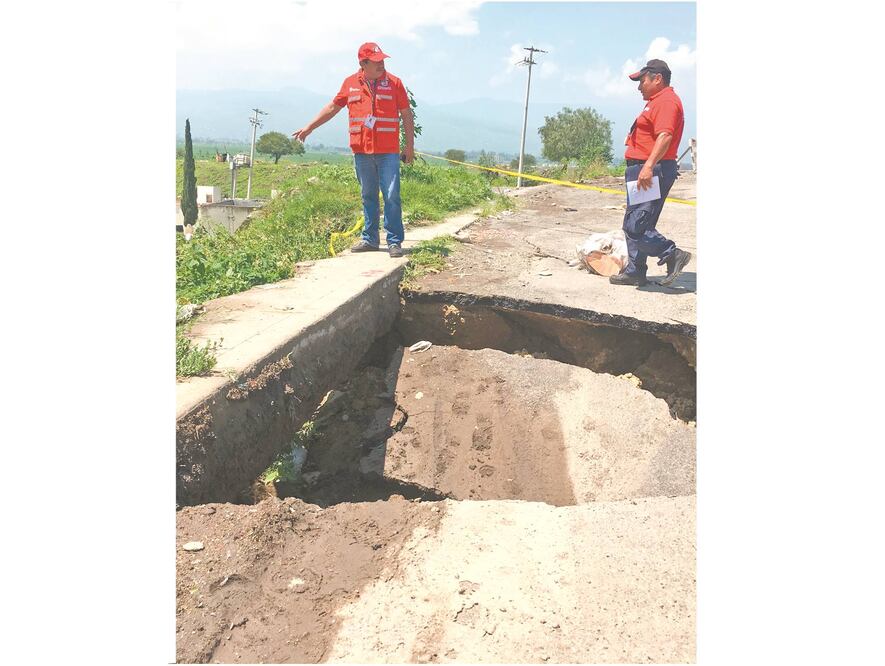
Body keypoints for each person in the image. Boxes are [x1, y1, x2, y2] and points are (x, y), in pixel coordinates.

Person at [292, 42, 415, 258]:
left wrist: (409, 147)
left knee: (391, 194)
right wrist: (309, 127)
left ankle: (394, 241)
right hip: (362, 151)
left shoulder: (395, 83)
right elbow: (332, 108)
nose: (381, 65)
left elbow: (406, 114)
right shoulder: (350, 84)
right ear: (363, 63)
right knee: (368, 195)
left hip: (388, 152)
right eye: (376, 62)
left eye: (383, 61)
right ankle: (370, 239)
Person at [610, 59, 692, 287]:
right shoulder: (657, 101)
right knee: (638, 220)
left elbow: (665, 136)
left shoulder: (666, 101)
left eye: (642, 81)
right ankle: (636, 270)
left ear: (657, 78)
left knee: (636, 226)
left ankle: (671, 253)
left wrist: (647, 166)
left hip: (651, 170)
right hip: (644, 169)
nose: (639, 87)